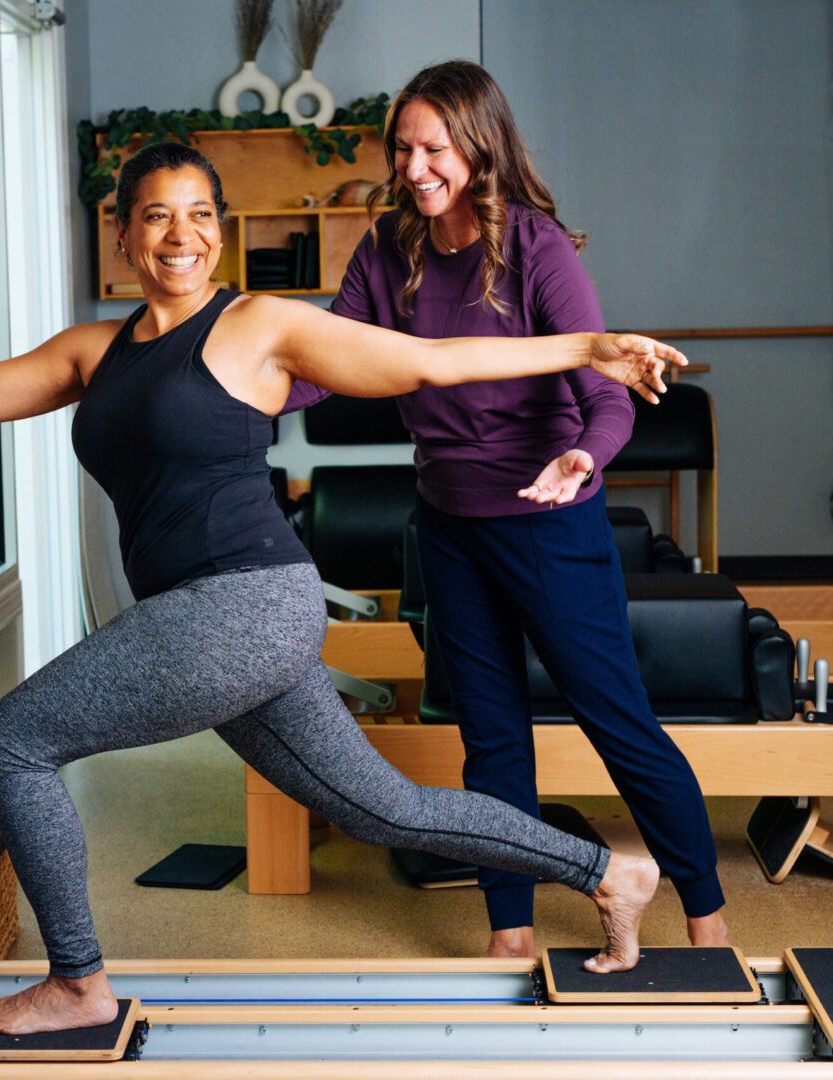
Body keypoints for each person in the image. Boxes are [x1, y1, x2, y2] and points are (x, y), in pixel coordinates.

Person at [0, 140, 683, 1035]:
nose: (179, 235)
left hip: (242, 604)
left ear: (219, 233)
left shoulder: (259, 324)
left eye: (198, 215)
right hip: (225, 617)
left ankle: (76, 982)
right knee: (382, 809)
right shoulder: (92, 351)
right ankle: (610, 872)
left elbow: (429, 360)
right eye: (156, 215)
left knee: (13, 738)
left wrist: (588, 347)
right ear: (123, 236)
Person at [284, 60, 731, 961]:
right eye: (402, 148)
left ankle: (709, 922)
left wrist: (582, 456)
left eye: (433, 148)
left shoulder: (535, 248)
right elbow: (324, 367)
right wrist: (232, 383)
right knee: (489, 738)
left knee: (619, 725)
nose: (414, 167)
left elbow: (605, 390)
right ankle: (510, 932)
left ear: (477, 147)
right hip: (448, 529)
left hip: (550, 523)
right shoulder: (386, 251)